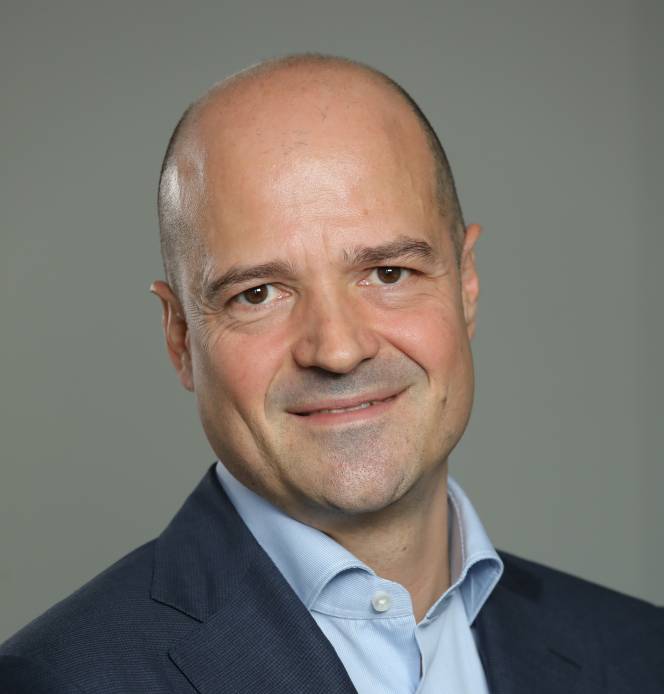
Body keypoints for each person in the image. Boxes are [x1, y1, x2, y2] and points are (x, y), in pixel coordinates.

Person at [0, 53, 662, 694]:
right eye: (258, 294)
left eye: (389, 273)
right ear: (180, 338)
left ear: (466, 285)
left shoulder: (642, 654)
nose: (338, 350)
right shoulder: (58, 681)